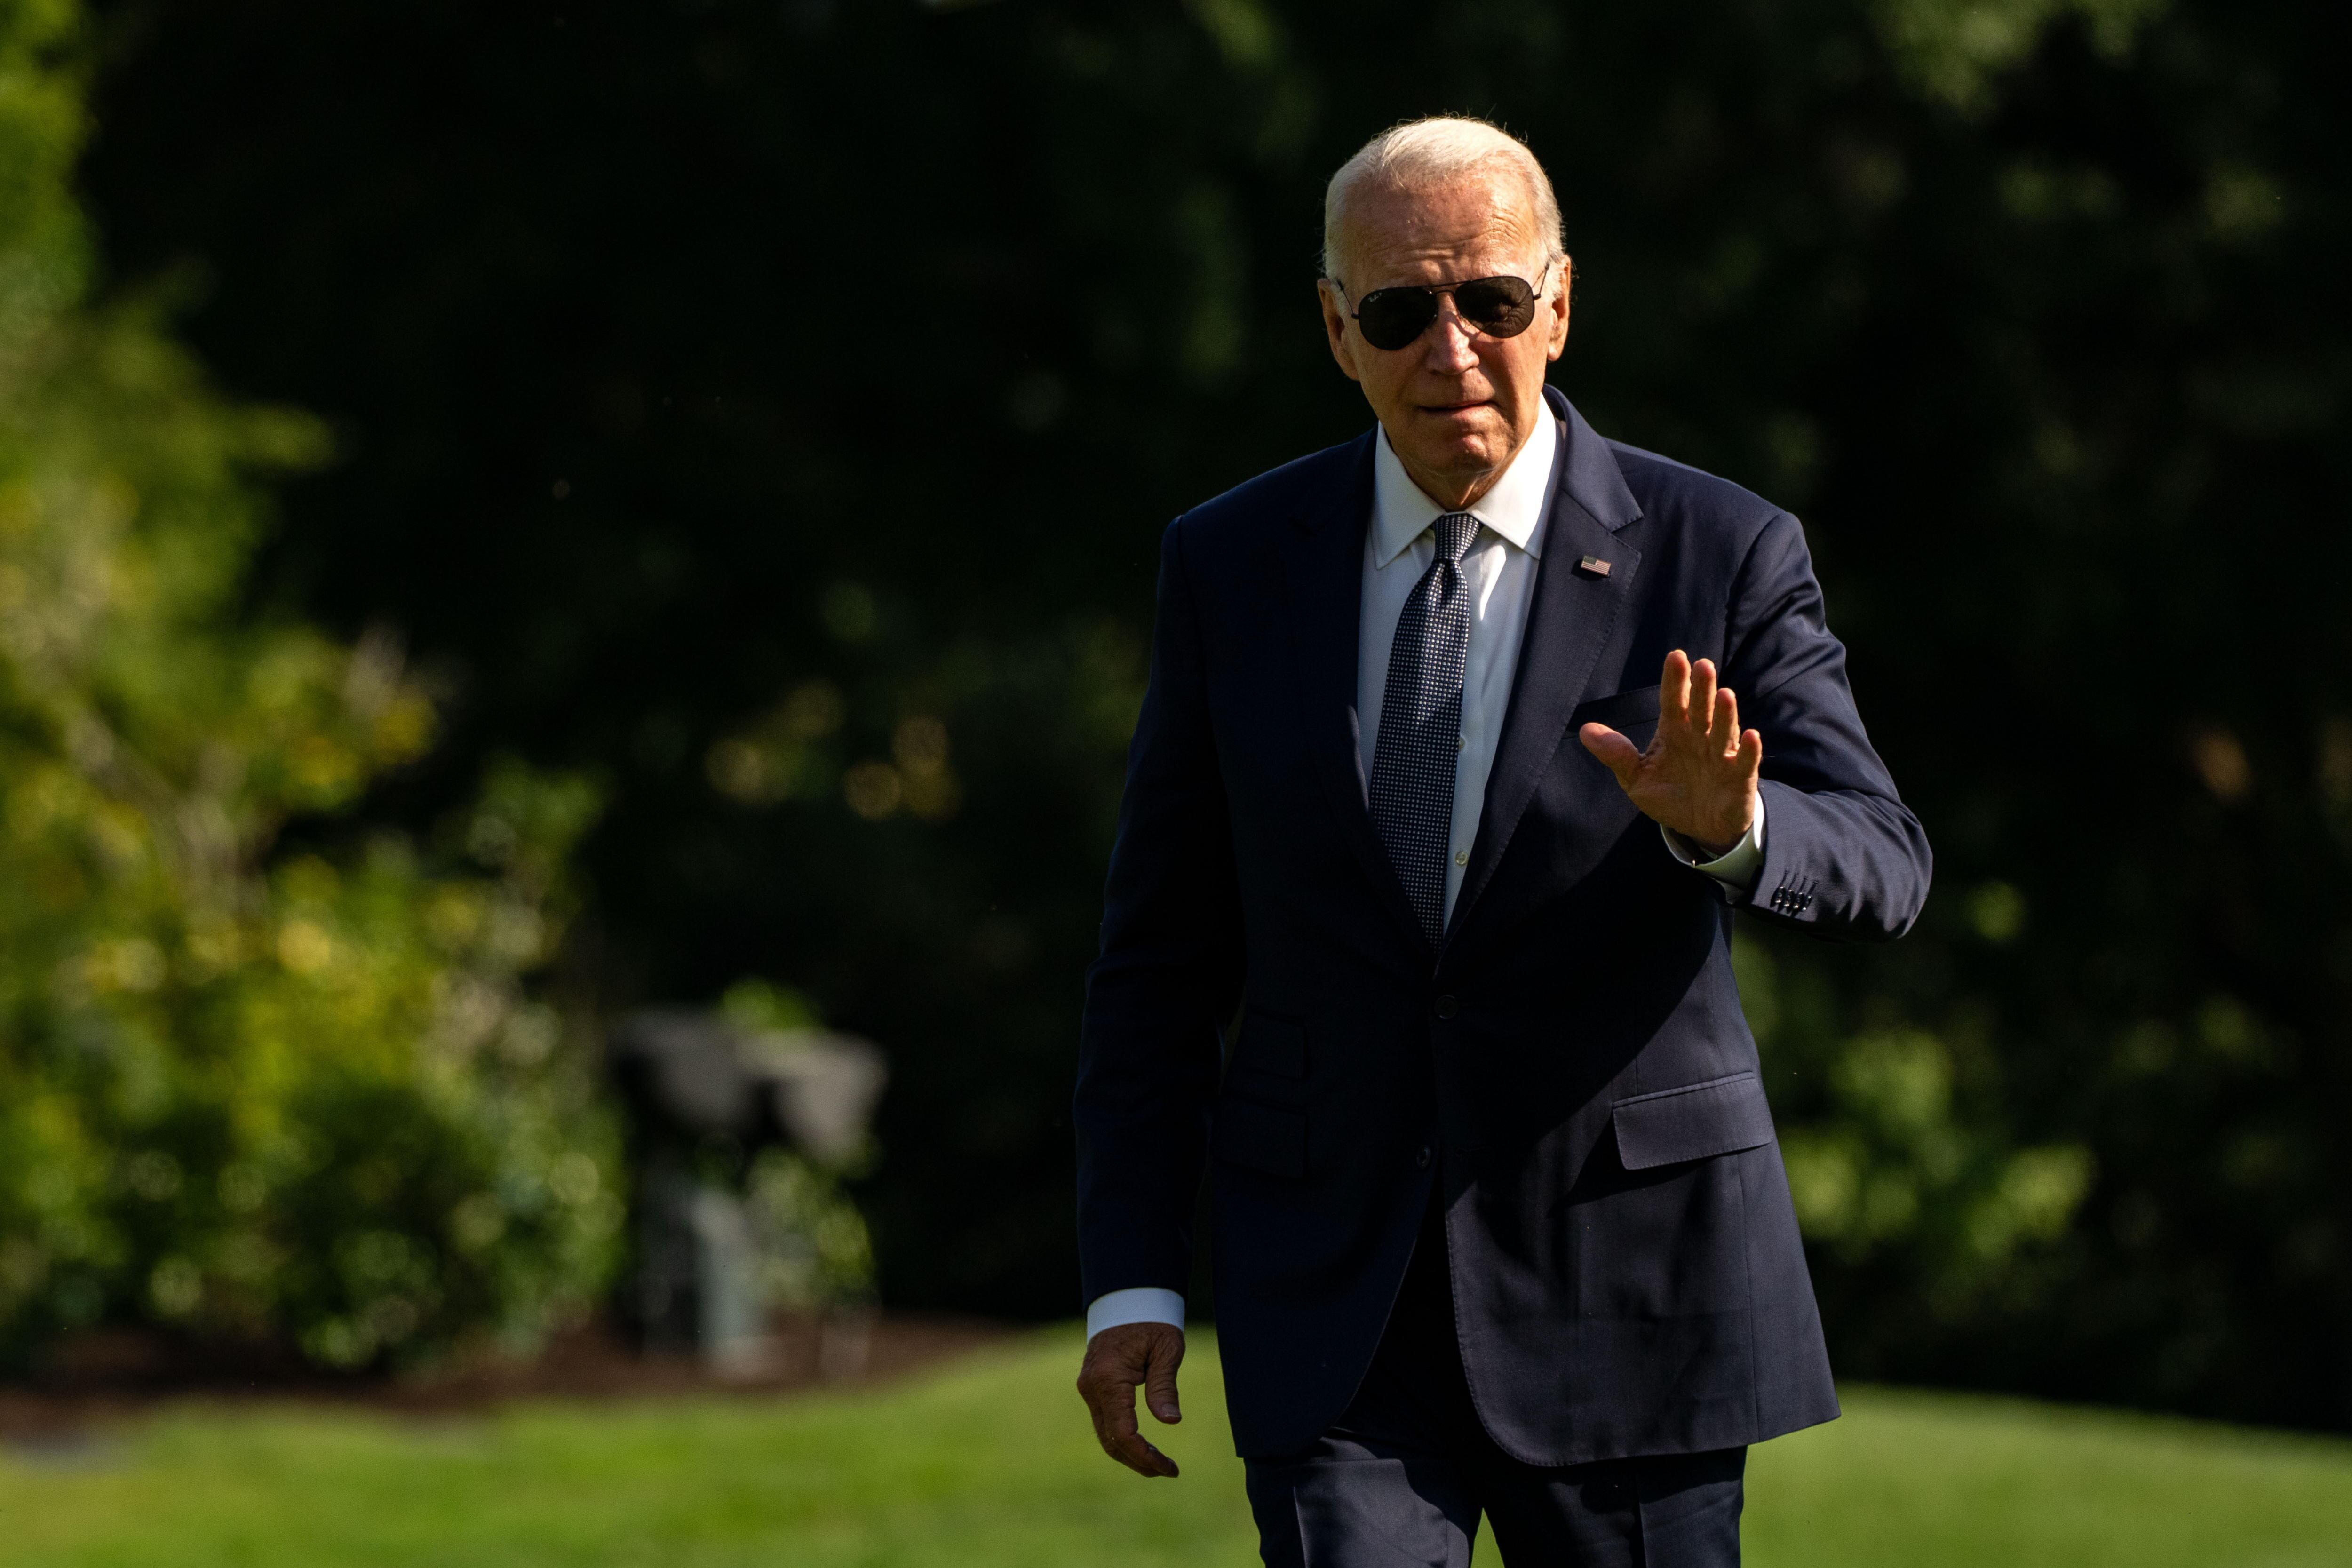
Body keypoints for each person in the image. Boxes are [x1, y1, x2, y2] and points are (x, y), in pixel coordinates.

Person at [1072, 116, 1930, 1567]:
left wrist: (1739, 832)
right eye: (1403, 311)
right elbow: (1158, 956)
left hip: (1631, 1297)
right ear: (1339, 333)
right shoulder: (1230, 563)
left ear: (1562, 305)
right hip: (1334, 1297)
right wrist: (1134, 1282)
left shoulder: (1719, 550)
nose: (1451, 347)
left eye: (1492, 302)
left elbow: (1886, 858)